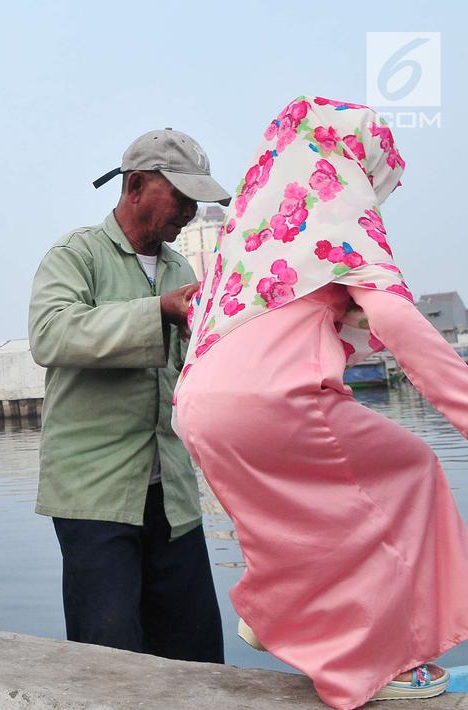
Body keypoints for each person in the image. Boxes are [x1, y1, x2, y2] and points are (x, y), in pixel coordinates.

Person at [175, 97, 468, 707]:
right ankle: (376, 665)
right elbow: (395, 317)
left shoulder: (250, 226)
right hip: (275, 398)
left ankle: (276, 607)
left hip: (198, 402)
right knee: (412, 473)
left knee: (310, 511)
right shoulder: (332, 196)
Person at [27, 128, 230, 662]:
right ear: (136, 185)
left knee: (197, 656)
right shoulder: (76, 256)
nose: (189, 211)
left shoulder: (181, 268)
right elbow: (51, 333)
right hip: (95, 495)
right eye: (181, 196)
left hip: (174, 496)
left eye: (196, 200)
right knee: (110, 658)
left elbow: (194, 370)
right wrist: (159, 311)